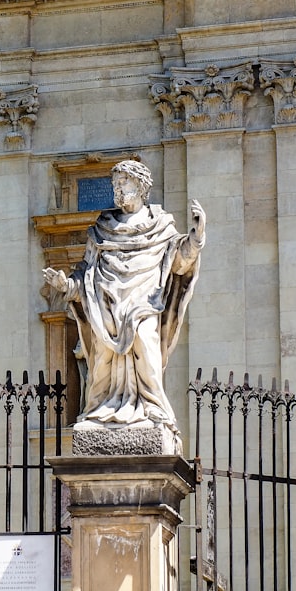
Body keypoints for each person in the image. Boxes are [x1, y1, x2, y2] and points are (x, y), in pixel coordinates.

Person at [43, 160, 205, 432]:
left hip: (144, 302)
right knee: (103, 354)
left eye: (124, 181)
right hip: (106, 303)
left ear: (141, 185)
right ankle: (99, 408)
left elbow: (179, 262)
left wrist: (197, 237)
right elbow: (87, 272)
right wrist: (68, 286)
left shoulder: (161, 225)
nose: (118, 187)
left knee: (144, 341)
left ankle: (153, 407)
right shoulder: (102, 228)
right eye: (115, 183)